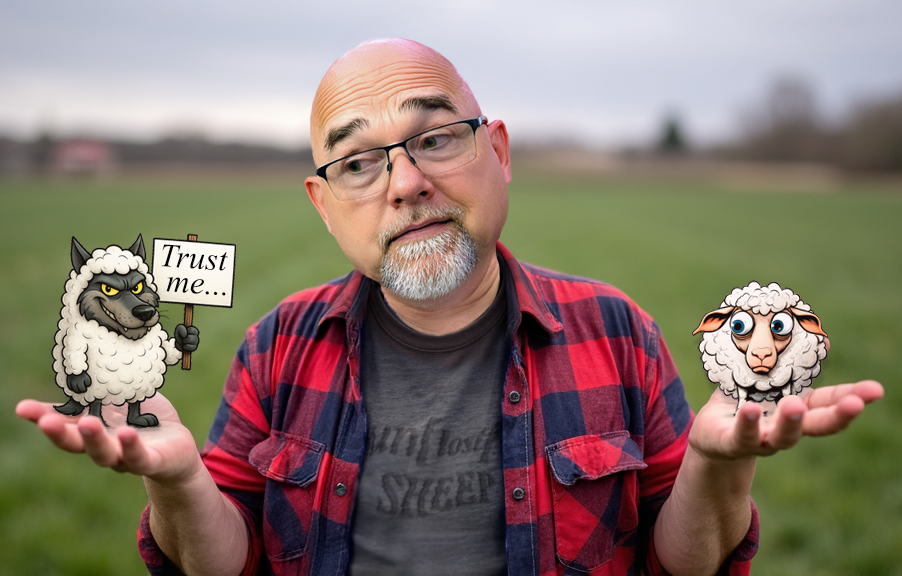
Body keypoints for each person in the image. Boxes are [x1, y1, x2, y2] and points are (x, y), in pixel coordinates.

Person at [17, 38, 884, 576]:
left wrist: (719, 466)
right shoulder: (276, 346)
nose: (405, 183)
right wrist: (178, 484)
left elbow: (682, 563)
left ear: (497, 153)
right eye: (358, 163)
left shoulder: (618, 332)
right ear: (325, 204)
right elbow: (226, 562)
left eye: (434, 138)